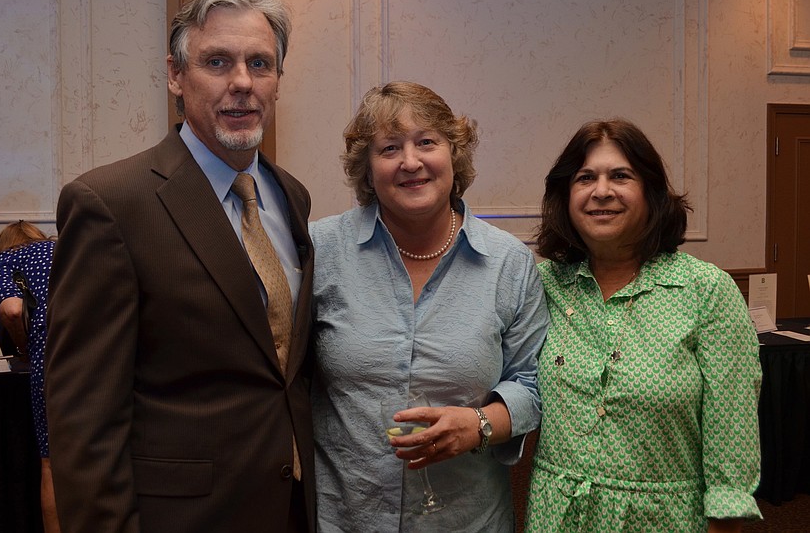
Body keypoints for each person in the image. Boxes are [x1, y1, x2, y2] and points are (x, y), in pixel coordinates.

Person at [44, 0, 315, 533]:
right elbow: (85, 422)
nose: (242, 83)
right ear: (175, 76)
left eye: (260, 64)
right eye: (217, 62)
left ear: (279, 83)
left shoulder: (291, 196)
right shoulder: (111, 204)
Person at [309, 81, 549, 532]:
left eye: (426, 142)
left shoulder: (508, 263)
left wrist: (478, 424)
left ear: (453, 156)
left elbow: (534, 384)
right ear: (368, 169)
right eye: (389, 148)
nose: (411, 162)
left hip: (466, 520)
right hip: (346, 517)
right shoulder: (321, 249)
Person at [525, 119, 763, 532]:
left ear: (651, 192)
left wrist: (725, 522)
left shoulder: (706, 290)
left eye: (620, 176)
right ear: (566, 196)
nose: (602, 192)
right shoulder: (544, 285)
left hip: (661, 519)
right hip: (556, 515)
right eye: (585, 178)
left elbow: (732, 428)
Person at [0, 221, 59, 533]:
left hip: (48, 362)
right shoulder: (64, 247)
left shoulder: (6, 259)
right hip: (95, 356)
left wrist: (24, 345)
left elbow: (13, 310)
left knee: (51, 463)